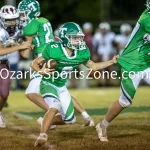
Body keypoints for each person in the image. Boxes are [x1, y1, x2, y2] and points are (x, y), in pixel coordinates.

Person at [30, 22, 118, 147]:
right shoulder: (54, 48)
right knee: (55, 105)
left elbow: (93, 66)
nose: (78, 40)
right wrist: (40, 71)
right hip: (48, 83)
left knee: (70, 120)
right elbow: (33, 63)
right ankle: (42, 135)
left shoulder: (81, 52)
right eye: (74, 37)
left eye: (79, 37)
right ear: (65, 37)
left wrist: (111, 61)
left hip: (61, 86)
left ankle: (44, 121)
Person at [18, 0, 95, 127]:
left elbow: (25, 54)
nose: (22, 17)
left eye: (23, 14)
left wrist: (16, 46)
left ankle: (54, 113)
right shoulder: (44, 21)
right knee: (61, 90)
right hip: (54, 55)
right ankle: (85, 115)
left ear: (31, 12)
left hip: (46, 60)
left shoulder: (33, 24)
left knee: (30, 93)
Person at [96, 0, 150, 142]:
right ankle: (102, 125)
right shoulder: (147, 19)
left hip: (146, 63)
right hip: (132, 64)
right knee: (125, 101)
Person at [0, 5, 31, 128]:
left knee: (4, 93)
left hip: (2, 64)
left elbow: (24, 53)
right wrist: (19, 46)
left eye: (14, 19)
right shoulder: (1, 31)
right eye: (9, 20)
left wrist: (27, 44)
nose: (12, 22)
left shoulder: (18, 30)